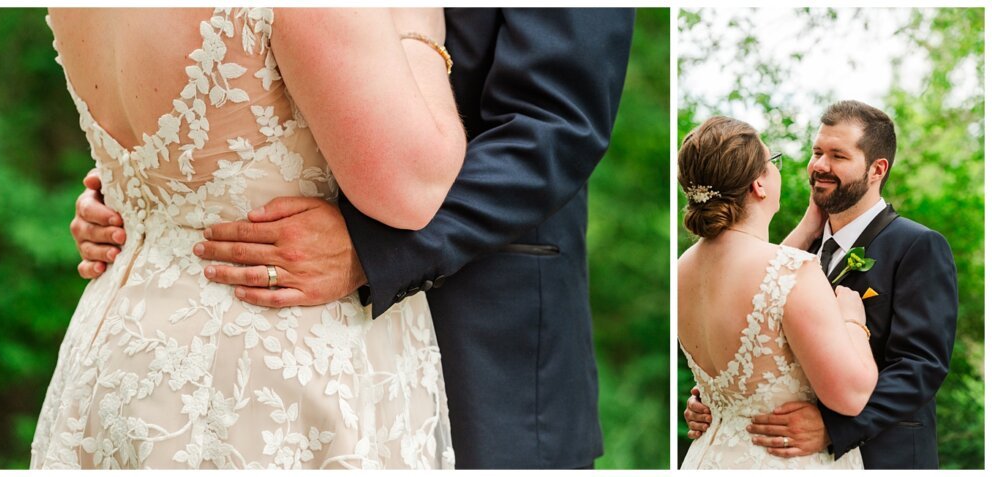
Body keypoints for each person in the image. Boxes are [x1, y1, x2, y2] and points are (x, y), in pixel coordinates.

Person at [66, 8, 635, 469]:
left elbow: (557, 123)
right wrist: (139, 204)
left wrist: (373, 250)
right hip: (277, 354)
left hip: (483, 343)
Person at [33, 8, 466, 469]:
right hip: (267, 379)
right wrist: (416, 30)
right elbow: (412, 188)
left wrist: (133, 203)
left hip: (117, 350)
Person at [684, 101, 958, 469]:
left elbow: (921, 365)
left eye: (838, 156)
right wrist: (716, 401)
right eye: (817, 152)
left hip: (883, 457)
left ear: (877, 169)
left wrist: (834, 427)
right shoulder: (788, 255)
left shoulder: (917, 246)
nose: (820, 166)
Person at [677, 116, 877, 469]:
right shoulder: (794, 271)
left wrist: (806, 228)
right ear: (758, 184)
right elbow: (851, 396)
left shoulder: (681, 269)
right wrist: (852, 322)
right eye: (773, 163)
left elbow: (759, 289)